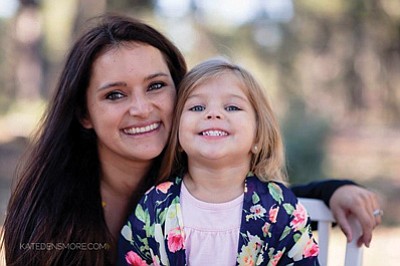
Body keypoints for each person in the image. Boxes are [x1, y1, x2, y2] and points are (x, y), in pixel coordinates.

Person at [0, 14, 381, 266]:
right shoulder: (52, 211)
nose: (141, 108)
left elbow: (253, 203)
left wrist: (333, 190)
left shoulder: (197, 175)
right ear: (84, 113)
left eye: (156, 86)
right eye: (115, 94)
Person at [118, 58, 320, 265]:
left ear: (258, 136)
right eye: (197, 107)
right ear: (177, 136)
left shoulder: (281, 208)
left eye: (232, 107)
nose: (213, 114)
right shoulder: (154, 205)